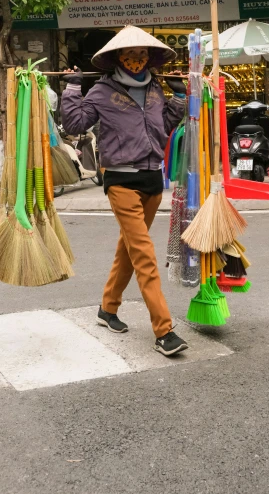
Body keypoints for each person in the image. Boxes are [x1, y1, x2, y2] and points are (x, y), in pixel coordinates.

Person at [61, 26, 188, 357]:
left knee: (129, 250)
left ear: (149, 58)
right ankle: (164, 330)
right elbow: (75, 125)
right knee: (144, 254)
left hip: (152, 180)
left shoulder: (156, 89)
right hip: (120, 180)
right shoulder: (102, 91)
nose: (136, 60)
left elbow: (166, 125)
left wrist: (180, 97)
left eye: (141, 55)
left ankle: (108, 307)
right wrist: (72, 87)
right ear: (118, 58)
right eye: (130, 56)